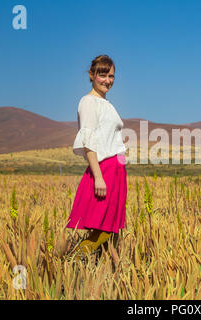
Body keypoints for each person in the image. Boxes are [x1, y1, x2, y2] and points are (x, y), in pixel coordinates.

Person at [66, 55, 127, 260]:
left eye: (111, 76)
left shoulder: (106, 104)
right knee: (105, 229)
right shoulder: (88, 102)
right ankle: (70, 262)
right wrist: (98, 176)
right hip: (105, 169)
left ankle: (108, 273)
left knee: (113, 228)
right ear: (91, 75)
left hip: (117, 169)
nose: (108, 80)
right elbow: (88, 140)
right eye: (102, 75)